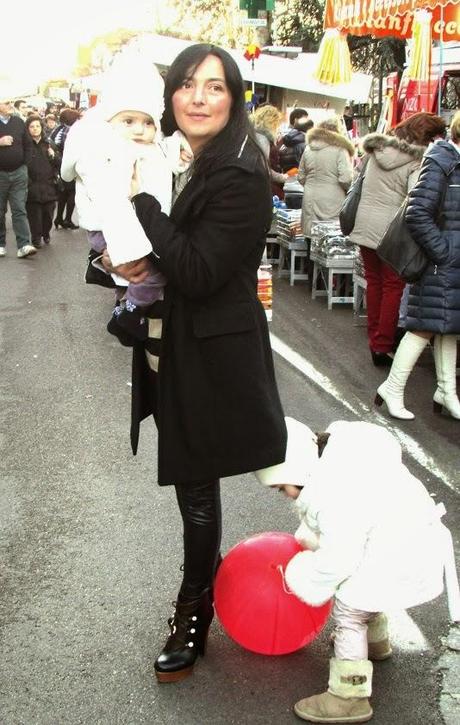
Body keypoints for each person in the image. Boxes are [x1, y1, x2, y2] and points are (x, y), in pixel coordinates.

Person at [102, 43, 287, 683]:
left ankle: (192, 614)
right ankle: (196, 605)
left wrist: (144, 208)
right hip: (184, 343)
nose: (199, 97)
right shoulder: (188, 160)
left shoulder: (239, 171)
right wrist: (119, 265)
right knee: (197, 484)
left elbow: (201, 269)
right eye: (187, 85)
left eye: (214, 86)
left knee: (261, 474)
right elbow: (168, 259)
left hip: (220, 355)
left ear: (235, 98)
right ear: (171, 96)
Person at [255, 417, 457, 724]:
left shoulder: (332, 494)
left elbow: (338, 559)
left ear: (296, 469)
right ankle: (375, 642)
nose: (286, 494)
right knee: (366, 581)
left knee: (350, 604)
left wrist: (302, 575)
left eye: (282, 487)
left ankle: (348, 696)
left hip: (401, 552)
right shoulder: (342, 457)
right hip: (409, 542)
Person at [61, 58, 191, 342]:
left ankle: (126, 307)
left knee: (137, 275)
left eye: (147, 123)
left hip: (132, 230)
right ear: (109, 123)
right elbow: (114, 205)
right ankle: (130, 313)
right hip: (114, 231)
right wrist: (126, 248)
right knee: (152, 275)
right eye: (128, 121)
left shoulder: (150, 147)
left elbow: (164, 158)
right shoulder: (109, 154)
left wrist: (177, 149)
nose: (138, 129)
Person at [375, 111, 460, 420]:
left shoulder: (449, 161)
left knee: (449, 327)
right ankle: (393, 388)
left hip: (449, 260)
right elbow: (417, 212)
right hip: (441, 262)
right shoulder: (441, 161)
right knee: (423, 327)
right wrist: (444, 252)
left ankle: (446, 391)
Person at [350, 112, 446, 367]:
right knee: (393, 286)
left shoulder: (377, 149)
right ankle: (382, 345)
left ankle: (375, 340)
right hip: (392, 231)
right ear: (426, 137)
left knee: (374, 283)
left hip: (365, 224)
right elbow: (417, 198)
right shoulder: (417, 160)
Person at [297, 115, 354, 237]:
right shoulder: (340, 149)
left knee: (310, 236)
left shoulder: (308, 148)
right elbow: (346, 178)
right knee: (329, 240)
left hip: (309, 197)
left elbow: (301, 176)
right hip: (332, 199)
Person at [0, 96, 36, 258]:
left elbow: (28, 144)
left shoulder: (18, 122)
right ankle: (0, 244)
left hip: (19, 173)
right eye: (6, 103)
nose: (10, 105)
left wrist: (24, 164)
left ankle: (24, 244)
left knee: (19, 209)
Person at [24, 115, 61, 248]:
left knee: (48, 215)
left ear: (42, 127)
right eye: (32, 127)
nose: (35, 129)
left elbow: (58, 163)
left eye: (37, 126)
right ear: (27, 129)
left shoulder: (49, 143)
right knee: (34, 216)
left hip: (49, 185)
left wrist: (53, 155)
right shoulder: (24, 145)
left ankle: (46, 233)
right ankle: (36, 238)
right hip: (32, 186)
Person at [252, 104, 288, 198]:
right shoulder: (263, 138)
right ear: (272, 121)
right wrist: (281, 177)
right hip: (258, 184)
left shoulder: (252, 133)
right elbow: (262, 167)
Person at [53, 108, 80, 230]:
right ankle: (67, 219)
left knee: (63, 193)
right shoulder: (70, 131)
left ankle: (58, 218)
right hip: (68, 164)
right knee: (72, 193)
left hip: (58, 164)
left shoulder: (59, 129)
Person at [278, 108, 310, 173]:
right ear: (296, 120)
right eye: (305, 119)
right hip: (297, 172)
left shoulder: (281, 133)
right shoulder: (303, 137)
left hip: (282, 172)